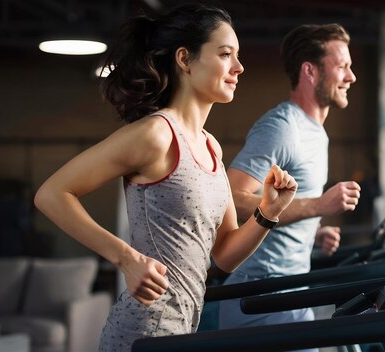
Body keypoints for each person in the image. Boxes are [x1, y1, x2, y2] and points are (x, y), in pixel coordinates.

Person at [33, 4, 298, 351]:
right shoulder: (155, 135)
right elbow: (52, 193)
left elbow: (224, 254)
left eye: (237, 55)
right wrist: (125, 258)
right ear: (185, 59)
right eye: (225, 54)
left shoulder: (210, 146)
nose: (239, 67)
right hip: (143, 333)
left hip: (184, 332)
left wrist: (268, 212)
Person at [218, 23, 361, 336]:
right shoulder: (283, 128)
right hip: (259, 299)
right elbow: (230, 200)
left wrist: (310, 235)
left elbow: (278, 202)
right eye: (342, 67)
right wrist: (318, 206)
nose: (351, 77)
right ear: (310, 71)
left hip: (290, 291)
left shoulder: (315, 131)